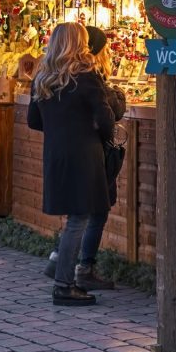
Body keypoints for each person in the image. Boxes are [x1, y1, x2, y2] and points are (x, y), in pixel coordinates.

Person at [27, 23, 115, 306]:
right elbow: (106, 119)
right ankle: (64, 284)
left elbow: (33, 121)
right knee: (79, 218)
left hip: (56, 153)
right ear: (80, 43)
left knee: (75, 217)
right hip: (84, 153)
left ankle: (65, 275)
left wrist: (59, 128)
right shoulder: (86, 76)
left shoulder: (42, 77)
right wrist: (96, 131)